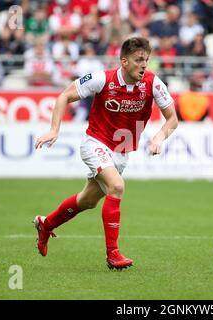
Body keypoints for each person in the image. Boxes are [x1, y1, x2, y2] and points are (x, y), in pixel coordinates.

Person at [34, 37, 179, 269]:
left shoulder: (153, 83)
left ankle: (46, 224)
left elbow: (172, 118)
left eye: (146, 60)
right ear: (124, 61)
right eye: (138, 60)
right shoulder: (102, 79)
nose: (144, 65)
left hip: (121, 153)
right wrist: (54, 129)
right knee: (117, 186)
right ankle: (113, 255)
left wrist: (159, 137)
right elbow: (64, 96)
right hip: (95, 143)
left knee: (87, 201)